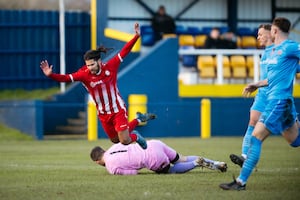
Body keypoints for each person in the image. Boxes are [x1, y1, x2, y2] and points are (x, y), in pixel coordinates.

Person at [40, 23, 156, 149]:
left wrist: (136, 36)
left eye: (92, 65)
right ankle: (138, 119)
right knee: (115, 140)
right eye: (87, 65)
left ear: (99, 61)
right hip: (103, 114)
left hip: (117, 109)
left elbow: (125, 51)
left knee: (125, 140)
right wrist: (51, 75)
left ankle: (137, 137)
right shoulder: (84, 74)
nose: (89, 68)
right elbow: (66, 78)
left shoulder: (111, 66)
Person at [219, 17, 300, 191]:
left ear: (275, 31)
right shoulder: (274, 52)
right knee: (295, 141)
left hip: (278, 101)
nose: (266, 33)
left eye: (270, 30)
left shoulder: (291, 47)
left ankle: (240, 182)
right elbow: (273, 77)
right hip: (281, 101)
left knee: (256, 137)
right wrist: (256, 85)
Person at [229, 24, 273, 167]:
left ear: (272, 33)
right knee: (252, 123)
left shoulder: (282, 51)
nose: (258, 37)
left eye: (261, 34)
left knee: (293, 137)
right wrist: (258, 86)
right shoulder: (266, 52)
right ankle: (244, 157)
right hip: (262, 94)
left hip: (277, 96)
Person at [90, 139, 227, 175]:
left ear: (97, 162)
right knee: (182, 158)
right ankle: (216, 163)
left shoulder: (111, 167)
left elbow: (133, 172)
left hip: (152, 157)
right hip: (155, 144)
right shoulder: (113, 147)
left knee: (170, 170)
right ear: (104, 150)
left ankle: (196, 163)